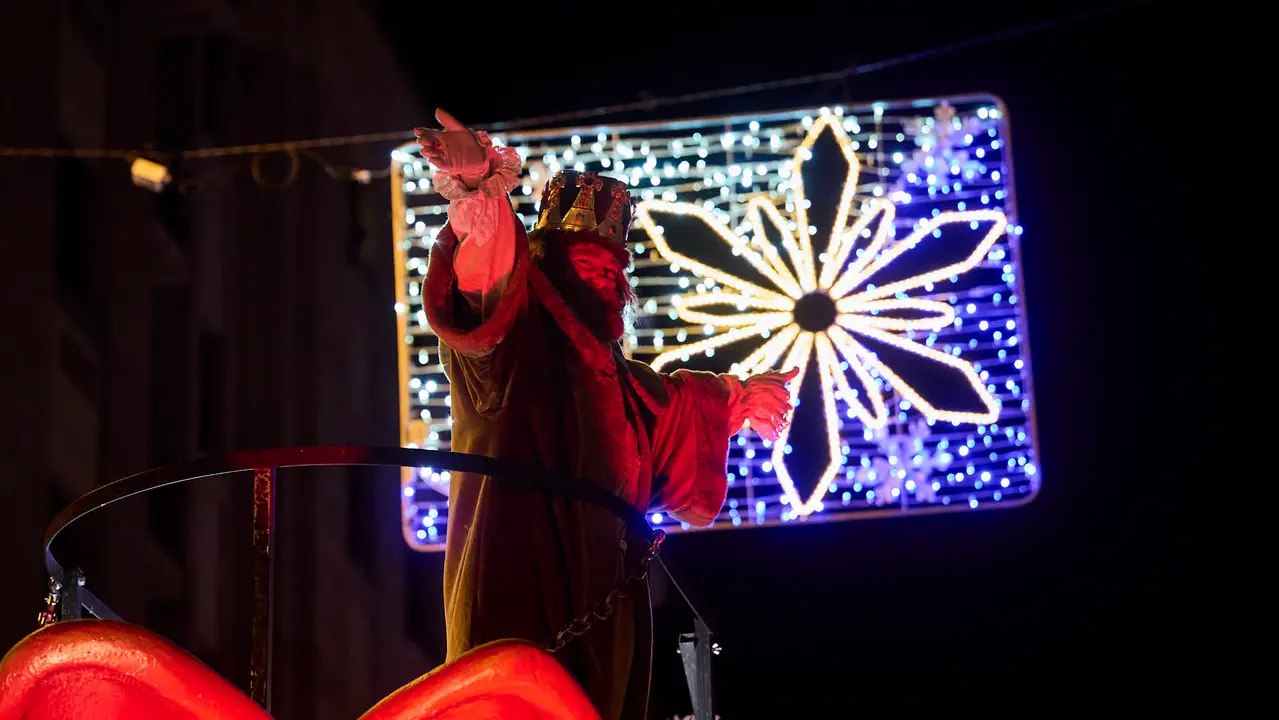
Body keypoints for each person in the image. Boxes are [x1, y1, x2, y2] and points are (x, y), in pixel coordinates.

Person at [415, 109, 795, 720]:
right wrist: (479, 191)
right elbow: (486, 280)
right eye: (586, 265)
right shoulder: (521, 333)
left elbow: (674, 413)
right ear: (545, 261)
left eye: (612, 272)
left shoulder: (621, 381)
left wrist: (738, 398)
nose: (607, 283)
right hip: (521, 568)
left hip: (606, 604)